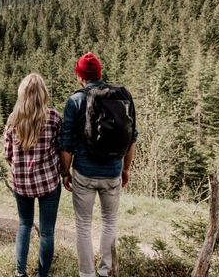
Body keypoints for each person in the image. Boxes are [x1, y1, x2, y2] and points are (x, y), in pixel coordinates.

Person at [60, 52, 137, 277]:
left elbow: (66, 144)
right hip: (113, 172)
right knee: (109, 222)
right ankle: (106, 272)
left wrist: (65, 173)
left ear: (79, 77)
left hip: (83, 173)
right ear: (100, 74)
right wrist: (125, 169)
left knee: (83, 226)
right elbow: (132, 138)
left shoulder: (75, 101)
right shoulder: (122, 97)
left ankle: (86, 274)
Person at [3, 73, 63, 277]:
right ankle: (42, 275)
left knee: (24, 225)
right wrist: (64, 172)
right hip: (48, 183)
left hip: (21, 185)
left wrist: (20, 168)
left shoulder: (13, 119)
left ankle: (20, 272)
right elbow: (61, 147)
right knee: (47, 233)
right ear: (43, 94)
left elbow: (7, 154)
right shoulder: (53, 117)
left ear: (22, 94)